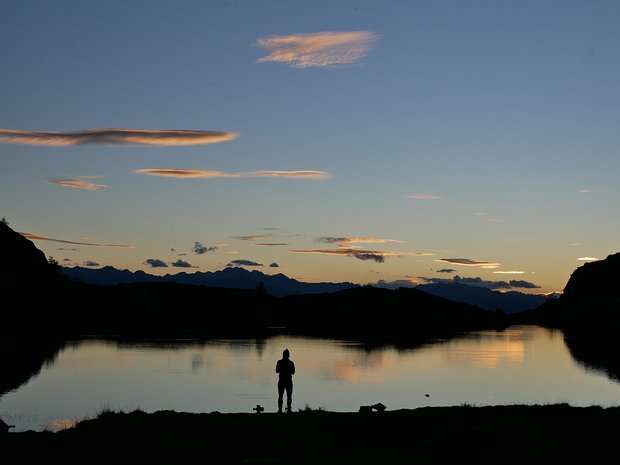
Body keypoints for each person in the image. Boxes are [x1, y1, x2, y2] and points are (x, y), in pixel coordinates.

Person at [276, 348, 295, 413]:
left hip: (282, 380)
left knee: (281, 396)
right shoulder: (291, 363)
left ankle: (280, 410)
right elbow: (293, 372)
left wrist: (283, 369)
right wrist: (288, 370)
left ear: (283, 355)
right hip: (288, 381)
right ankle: (288, 409)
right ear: (288, 355)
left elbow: (277, 371)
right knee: (288, 396)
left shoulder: (279, 362)